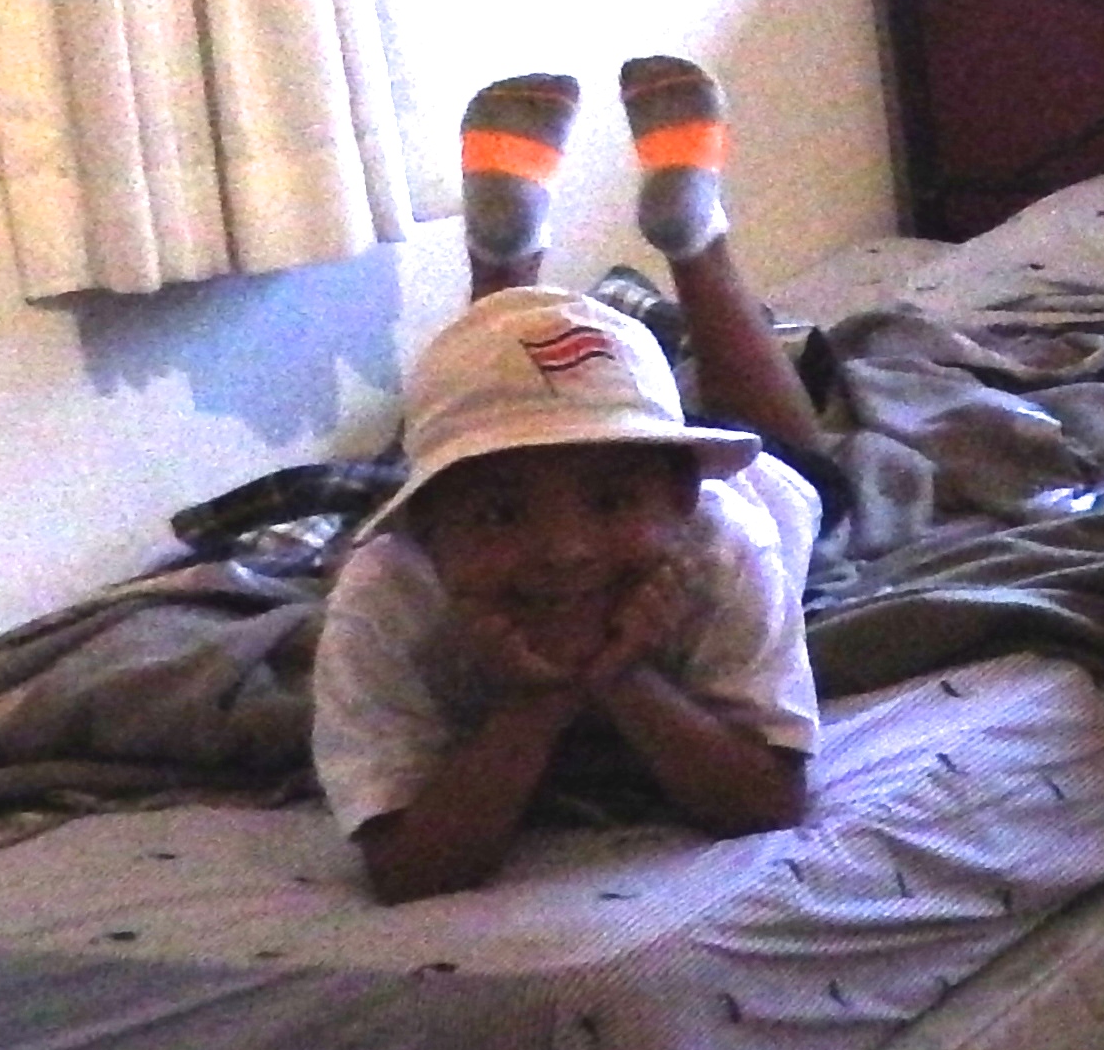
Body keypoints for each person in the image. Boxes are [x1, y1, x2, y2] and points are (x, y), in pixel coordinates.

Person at [315, 60, 833, 904]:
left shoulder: (730, 538)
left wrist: (622, 679)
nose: (564, 551)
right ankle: (683, 240)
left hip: (768, 492)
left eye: (611, 502)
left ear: (683, 498)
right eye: (500, 514)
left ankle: (580, 254)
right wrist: (540, 701)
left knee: (791, 456)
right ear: (428, 524)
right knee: (500, 405)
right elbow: (407, 871)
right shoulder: (386, 591)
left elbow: (768, 801)